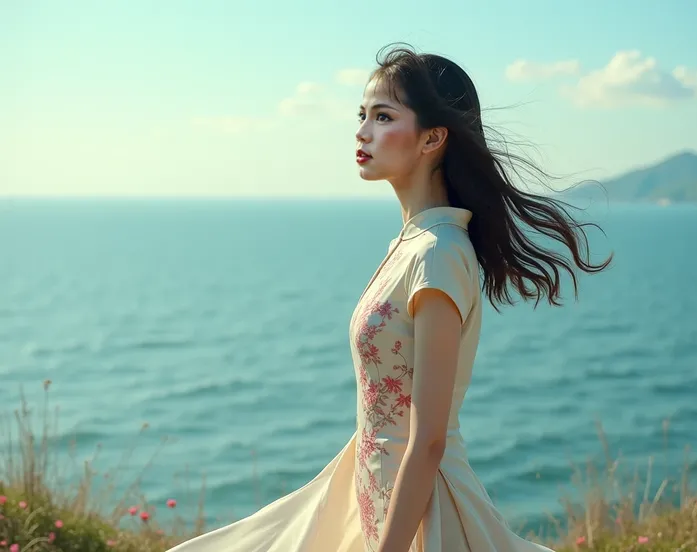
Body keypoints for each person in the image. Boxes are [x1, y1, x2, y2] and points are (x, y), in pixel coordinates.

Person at [167, 43, 612, 552]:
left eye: (383, 116)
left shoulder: (438, 253)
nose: (362, 132)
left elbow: (428, 440)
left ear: (432, 138)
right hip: (377, 493)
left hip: (422, 516)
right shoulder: (414, 244)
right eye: (362, 115)